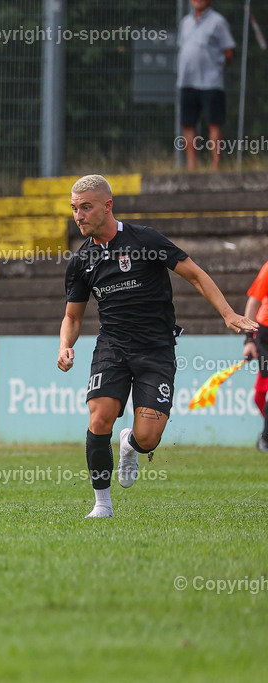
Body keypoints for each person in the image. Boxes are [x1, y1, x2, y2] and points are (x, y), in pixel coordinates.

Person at [58, 174, 256, 519]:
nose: (79, 216)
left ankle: (130, 444)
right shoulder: (81, 262)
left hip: (156, 349)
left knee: (148, 438)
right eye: (75, 209)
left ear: (107, 206)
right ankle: (102, 505)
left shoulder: (145, 239)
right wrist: (65, 345)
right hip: (113, 348)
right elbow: (73, 317)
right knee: (99, 417)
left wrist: (228, 313)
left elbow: (194, 274)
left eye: (86, 207)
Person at [178, 0, 235, 171]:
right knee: (188, 124)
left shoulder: (218, 21)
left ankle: (216, 166)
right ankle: (191, 167)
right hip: (187, 81)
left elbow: (228, 52)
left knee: (214, 123)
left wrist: (215, 68)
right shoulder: (185, 22)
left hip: (211, 83)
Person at [241, 259, 268, 450]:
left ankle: (265, 437)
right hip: (266, 335)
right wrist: (249, 340)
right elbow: (253, 302)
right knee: (260, 394)